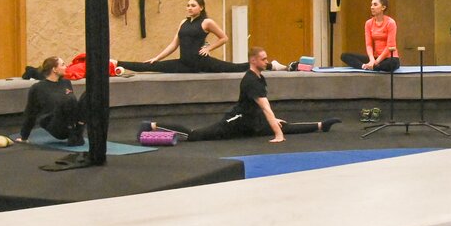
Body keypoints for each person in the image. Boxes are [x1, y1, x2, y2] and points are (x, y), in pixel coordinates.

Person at [138, 47, 339, 143]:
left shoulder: (260, 77)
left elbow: (264, 111)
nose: (267, 61)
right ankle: (153, 125)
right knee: (195, 135)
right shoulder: (251, 80)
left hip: (252, 121)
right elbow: (266, 108)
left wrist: (276, 124)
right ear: (253, 61)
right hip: (237, 120)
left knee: (282, 124)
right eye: (263, 59)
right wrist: (278, 135)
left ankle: (321, 125)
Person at [117, 0, 253, 74]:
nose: (189, 8)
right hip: (184, 63)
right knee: (150, 66)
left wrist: (208, 48)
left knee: (235, 68)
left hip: (201, 62)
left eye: (193, 5)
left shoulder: (206, 22)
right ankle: (116, 62)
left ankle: (263, 65)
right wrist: (157, 57)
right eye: (188, 5)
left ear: (201, 7)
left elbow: (224, 38)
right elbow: (174, 44)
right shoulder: (183, 22)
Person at [16, 56, 86, 146]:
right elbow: (30, 113)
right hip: (54, 124)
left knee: (87, 95)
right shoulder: (38, 88)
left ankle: (77, 134)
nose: (66, 67)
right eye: (63, 65)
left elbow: (72, 108)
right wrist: (24, 137)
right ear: (54, 69)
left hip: (71, 122)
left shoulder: (66, 82)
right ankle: (73, 134)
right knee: (69, 99)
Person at [340, 0, 400, 72]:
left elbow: (390, 45)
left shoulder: (390, 22)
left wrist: (376, 61)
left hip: (389, 58)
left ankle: (374, 67)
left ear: (383, 7)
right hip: (374, 57)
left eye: (375, 5)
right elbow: (369, 45)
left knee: (392, 63)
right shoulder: (368, 23)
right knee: (345, 56)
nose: (372, 7)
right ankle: (365, 66)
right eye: (371, 5)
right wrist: (372, 59)